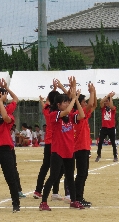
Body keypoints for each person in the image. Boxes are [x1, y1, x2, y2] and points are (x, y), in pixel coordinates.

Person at [39, 79, 85, 211]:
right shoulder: (55, 115)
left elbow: (81, 115)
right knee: (53, 176)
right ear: (58, 105)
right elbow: (65, 112)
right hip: (58, 151)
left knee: (70, 176)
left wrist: (75, 100)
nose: (66, 103)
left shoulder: (70, 116)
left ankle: (74, 201)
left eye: (67, 101)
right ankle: (43, 202)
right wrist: (73, 99)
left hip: (69, 150)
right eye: (64, 102)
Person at [34, 78, 70, 202]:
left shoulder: (47, 109)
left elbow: (48, 100)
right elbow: (68, 100)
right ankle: (54, 191)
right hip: (55, 142)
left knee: (45, 167)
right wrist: (58, 87)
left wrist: (54, 89)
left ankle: (38, 190)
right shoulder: (58, 113)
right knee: (59, 169)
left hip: (48, 142)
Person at [73, 83, 97, 208]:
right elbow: (90, 106)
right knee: (81, 173)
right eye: (84, 102)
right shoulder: (78, 114)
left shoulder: (83, 114)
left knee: (84, 173)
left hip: (84, 147)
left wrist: (94, 92)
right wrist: (91, 92)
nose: (86, 104)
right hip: (80, 147)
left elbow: (93, 105)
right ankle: (77, 198)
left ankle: (78, 197)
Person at [95, 91, 118, 162]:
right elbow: (101, 102)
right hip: (104, 128)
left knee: (113, 143)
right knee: (100, 142)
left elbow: (111, 106)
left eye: (107, 101)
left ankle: (115, 156)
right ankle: (98, 155)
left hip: (111, 128)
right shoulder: (103, 108)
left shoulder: (113, 108)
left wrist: (110, 97)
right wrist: (108, 95)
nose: (105, 102)